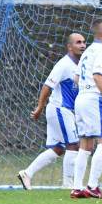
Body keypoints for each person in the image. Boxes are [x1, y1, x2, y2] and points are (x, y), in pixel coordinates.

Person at [18, 32, 87, 190]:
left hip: (66, 111)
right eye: (78, 42)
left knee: (58, 148)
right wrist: (39, 106)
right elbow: (47, 85)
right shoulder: (64, 65)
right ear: (70, 47)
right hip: (59, 109)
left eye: (83, 42)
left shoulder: (81, 66)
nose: (82, 45)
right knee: (74, 146)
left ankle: (27, 173)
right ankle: (68, 184)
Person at [71, 17, 102, 199]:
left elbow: (77, 79)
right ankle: (92, 186)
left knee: (85, 146)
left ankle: (77, 188)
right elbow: (97, 75)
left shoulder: (87, 51)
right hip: (94, 99)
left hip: (81, 98)